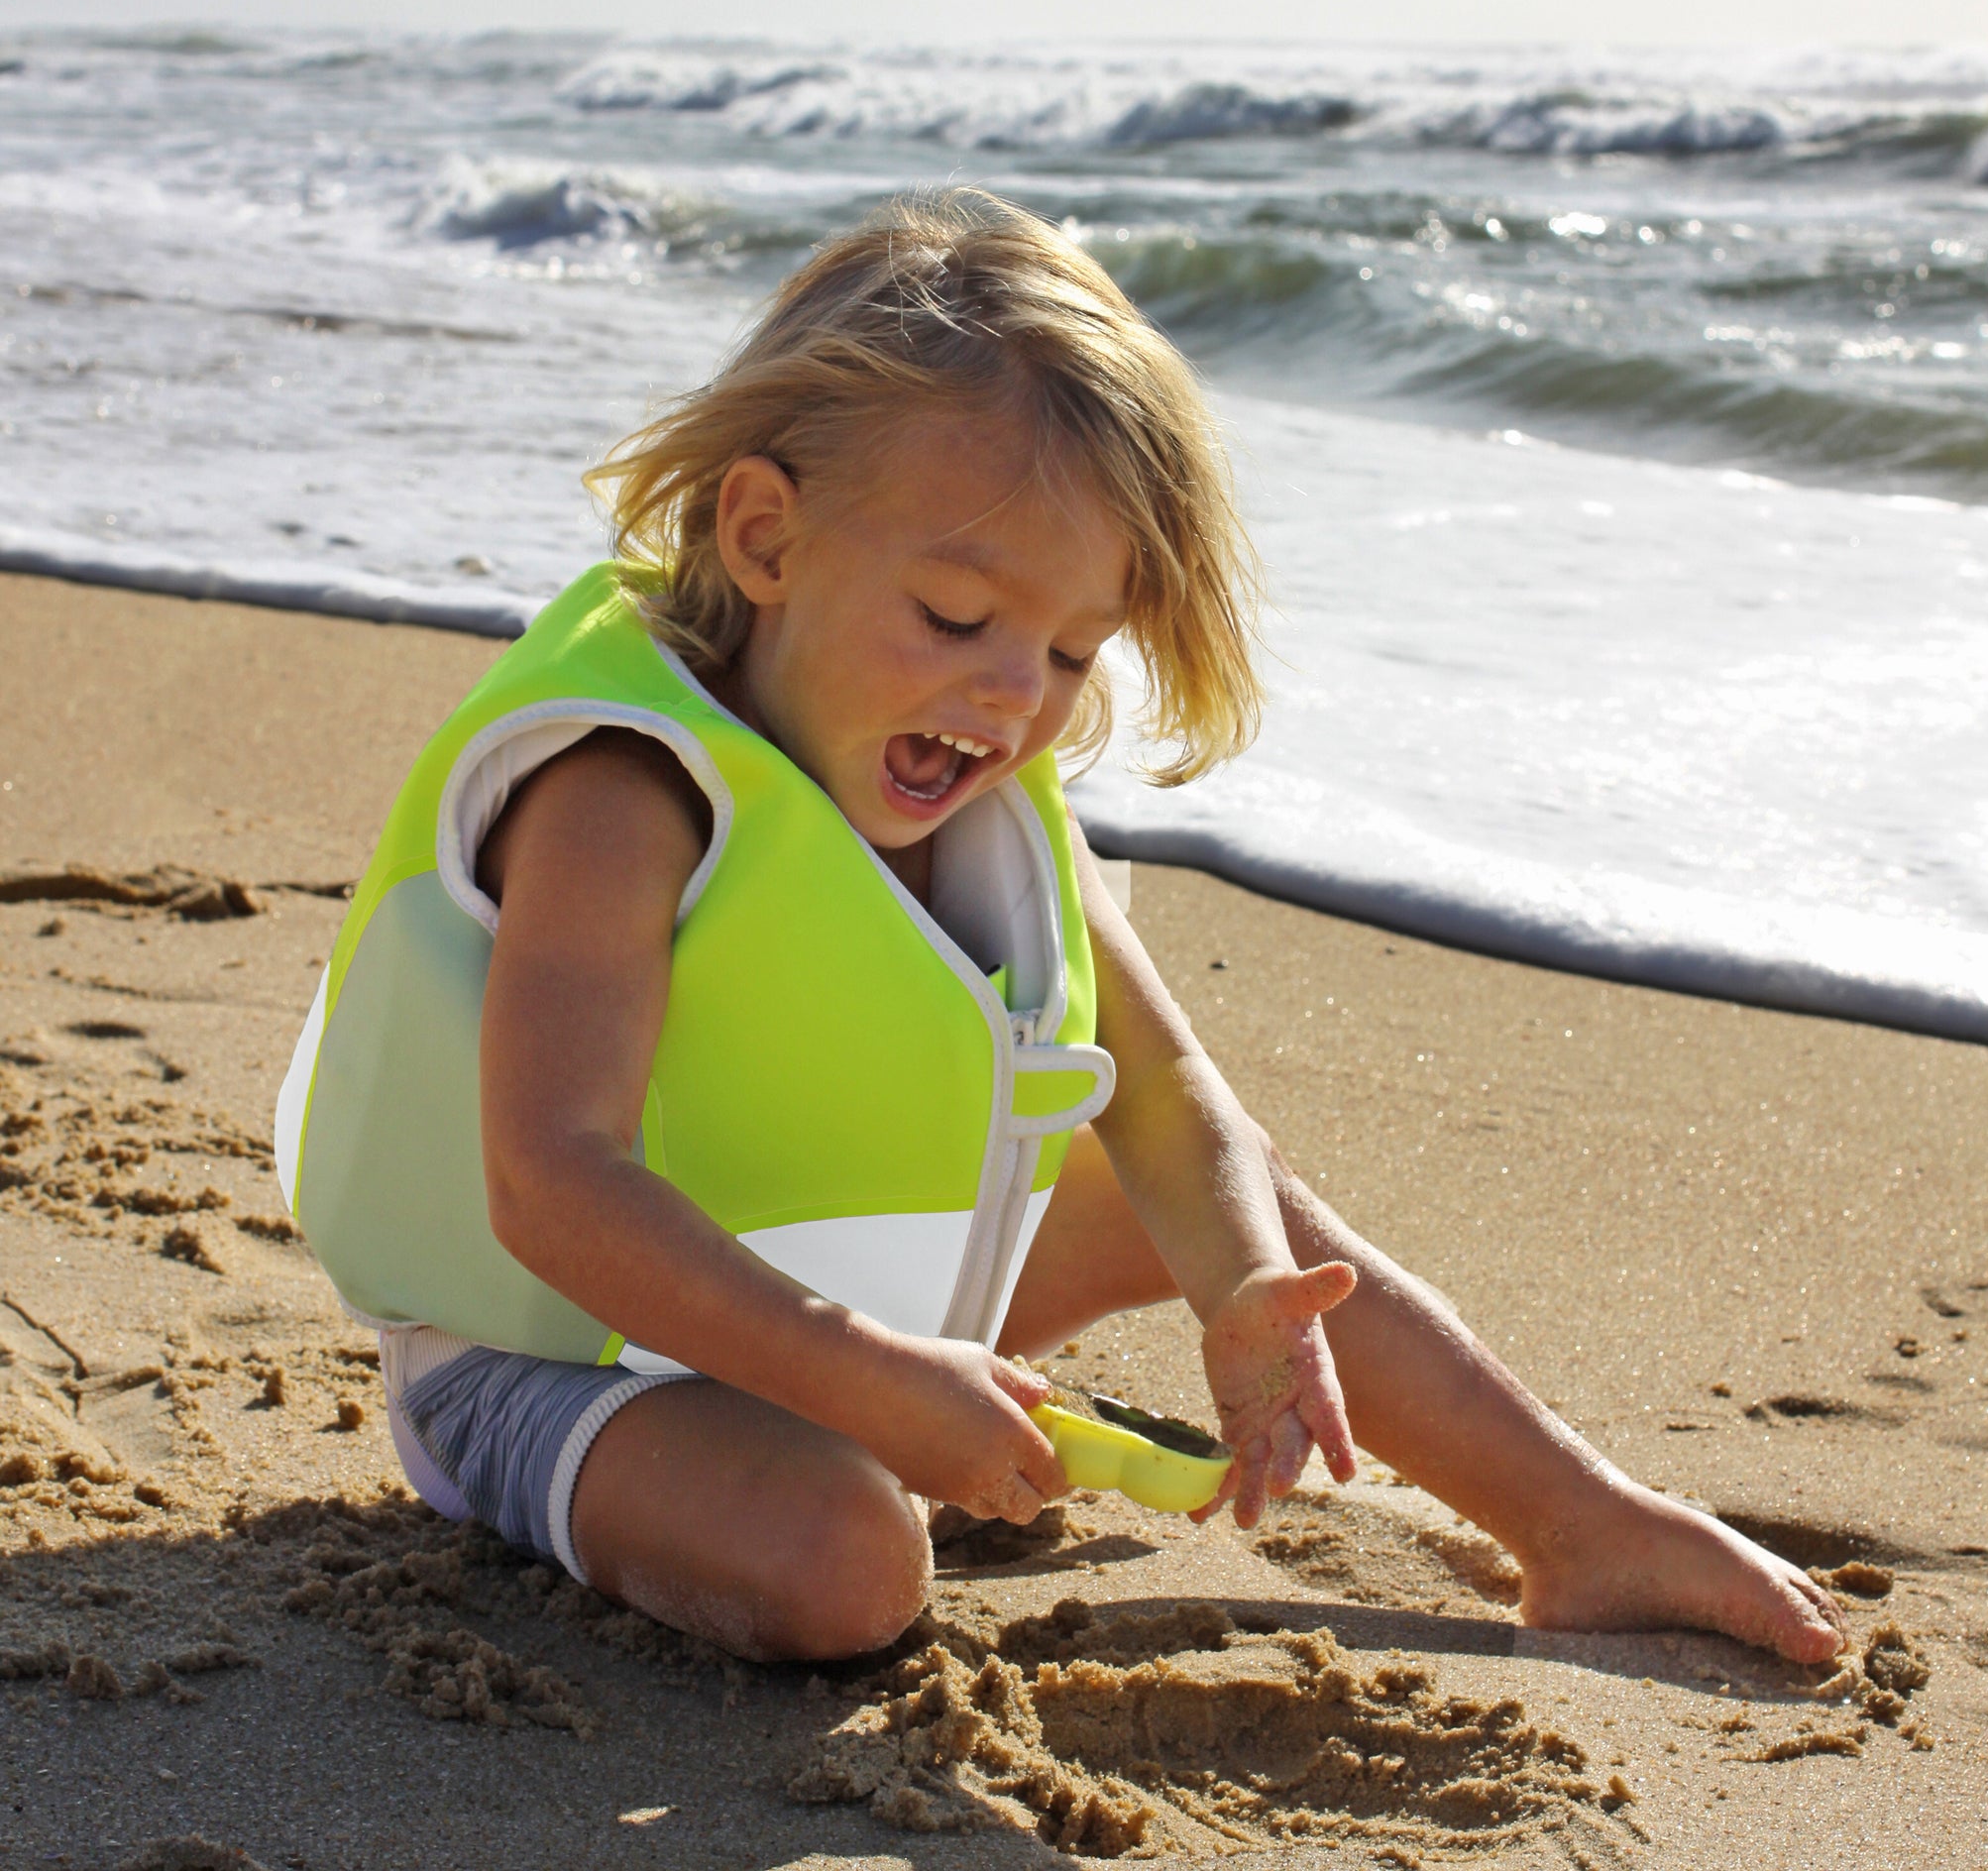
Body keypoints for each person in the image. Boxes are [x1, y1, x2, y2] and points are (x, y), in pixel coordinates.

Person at [274, 187, 1845, 1669]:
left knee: (1262, 1238)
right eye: (958, 620)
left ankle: (1583, 1525)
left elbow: (1170, 1102)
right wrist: (875, 1385)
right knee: (851, 1566)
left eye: (1073, 651)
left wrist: (1236, 1290)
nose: (1015, 695)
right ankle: (526, 1457)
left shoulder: (974, 782)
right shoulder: (621, 789)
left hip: (840, 1295)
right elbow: (555, 1189)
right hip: (556, 1351)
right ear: (764, 540)